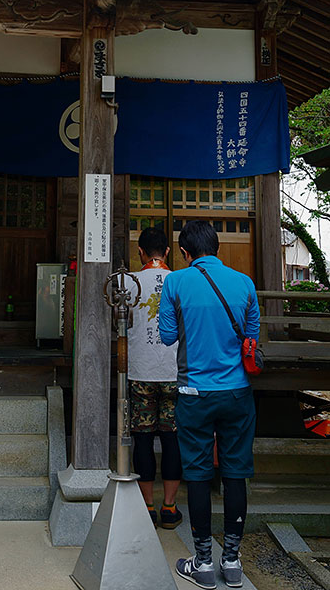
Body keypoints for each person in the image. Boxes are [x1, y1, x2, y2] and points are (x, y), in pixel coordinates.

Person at [159, 220, 260, 590]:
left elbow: (167, 335)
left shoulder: (175, 282)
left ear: (185, 252)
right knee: (235, 473)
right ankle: (231, 561)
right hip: (237, 393)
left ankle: (202, 563)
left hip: (194, 393)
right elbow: (252, 339)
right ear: (216, 247)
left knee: (199, 474)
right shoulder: (245, 283)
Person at [128, 226, 183, 529]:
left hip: (141, 371)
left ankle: (147, 506)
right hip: (175, 371)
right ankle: (169, 507)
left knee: (143, 438)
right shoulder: (180, 281)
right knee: (173, 438)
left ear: (140, 252)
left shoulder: (129, 281)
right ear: (168, 251)